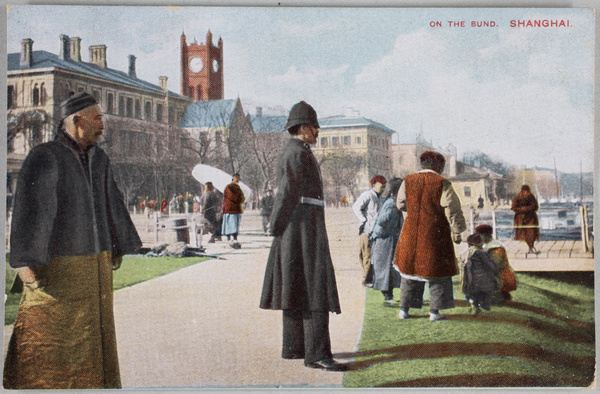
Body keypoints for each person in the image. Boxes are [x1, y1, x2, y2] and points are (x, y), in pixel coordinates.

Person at [4, 92, 142, 389]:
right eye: (98, 118)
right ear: (78, 122)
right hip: (57, 272)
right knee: (51, 343)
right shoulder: (45, 155)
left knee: (94, 341)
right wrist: (24, 264)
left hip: (96, 270)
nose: (103, 125)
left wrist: (116, 245)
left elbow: (112, 202)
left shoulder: (100, 158)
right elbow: (29, 210)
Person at [260, 101, 345, 372]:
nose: (318, 131)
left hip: (296, 228)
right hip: (304, 229)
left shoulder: (296, 151)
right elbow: (286, 194)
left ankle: (295, 347)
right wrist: (274, 226)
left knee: (295, 285)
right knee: (314, 286)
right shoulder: (298, 153)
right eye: (315, 126)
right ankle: (318, 354)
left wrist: (277, 228)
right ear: (304, 128)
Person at [394, 151, 466, 322]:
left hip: (410, 231)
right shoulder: (442, 183)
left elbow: (400, 203)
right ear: (439, 167)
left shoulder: (407, 180)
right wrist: (457, 231)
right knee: (437, 272)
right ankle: (434, 313)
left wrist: (413, 214)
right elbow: (453, 209)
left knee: (410, 270)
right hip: (435, 232)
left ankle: (404, 310)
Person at [369, 178, 404, 304]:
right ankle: (388, 295)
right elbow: (383, 220)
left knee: (384, 269)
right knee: (387, 269)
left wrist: (375, 235)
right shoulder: (392, 203)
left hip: (385, 239)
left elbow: (382, 221)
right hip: (387, 239)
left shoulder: (390, 202)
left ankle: (388, 296)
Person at [352, 175, 387, 286]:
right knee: (365, 254)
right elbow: (356, 207)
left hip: (377, 231)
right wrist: (364, 219)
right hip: (366, 230)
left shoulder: (381, 198)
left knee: (373, 255)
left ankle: (370, 278)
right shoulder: (367, 195)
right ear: (374, 185)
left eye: (384, 187)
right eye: (381, 187)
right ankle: (365, 278)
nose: (383, 189)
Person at [476, 224, 517, 302]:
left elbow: (496, 265)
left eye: (479, 236)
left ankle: (497, 297)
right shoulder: (486, 246)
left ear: (485, 236)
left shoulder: (496, 248)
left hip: (501, 276)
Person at [460, 233, 500, 315]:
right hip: (482, 280)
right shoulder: (481, 253)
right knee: (487, 292)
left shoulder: (465, 253)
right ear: (480, 242)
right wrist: (496, 270)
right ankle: (484, 305)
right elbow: (491, 265)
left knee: (473, 294)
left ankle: (474, 304)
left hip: (468, 280)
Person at [511, 184, 540, 254]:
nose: (526, 193)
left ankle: (531, 247)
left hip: (530, 218)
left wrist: (525, 209)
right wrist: (522, 209)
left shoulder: (531, 197)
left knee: (531, 233)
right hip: (521, 219)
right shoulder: (518, 197)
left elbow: (535, 207)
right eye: (524, 191)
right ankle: (531, 247)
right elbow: (513, 207)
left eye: (527, 191)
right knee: (524, 234)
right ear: (522, 191)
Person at [222, 172, 245, 249]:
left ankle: (235, 238)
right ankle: (228, 239)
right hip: (230, 209)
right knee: (229, 225)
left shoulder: (238, 187)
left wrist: (239, 198)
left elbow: (242, 198)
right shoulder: (229, 187)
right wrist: (238, 198)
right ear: (233, 179)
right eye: (236, 178)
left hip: (236, 209)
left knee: (235, 225)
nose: (237, 180)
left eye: (238, 178)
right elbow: (232, 197)